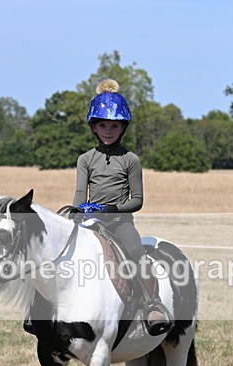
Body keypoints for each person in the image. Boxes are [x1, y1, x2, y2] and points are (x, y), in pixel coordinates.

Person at [72, 79, 173, 335]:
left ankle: (152, 305)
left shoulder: (131, 160)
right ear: (94, 127)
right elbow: (80, 193)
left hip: (120, 223)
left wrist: (112, 209)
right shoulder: (85, 159)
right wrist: (76, 211)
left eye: (114, 126)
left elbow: (137, 200)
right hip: (89, 221)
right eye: (103, 125)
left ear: (123, 127)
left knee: (136, 253)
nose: (108, 131)